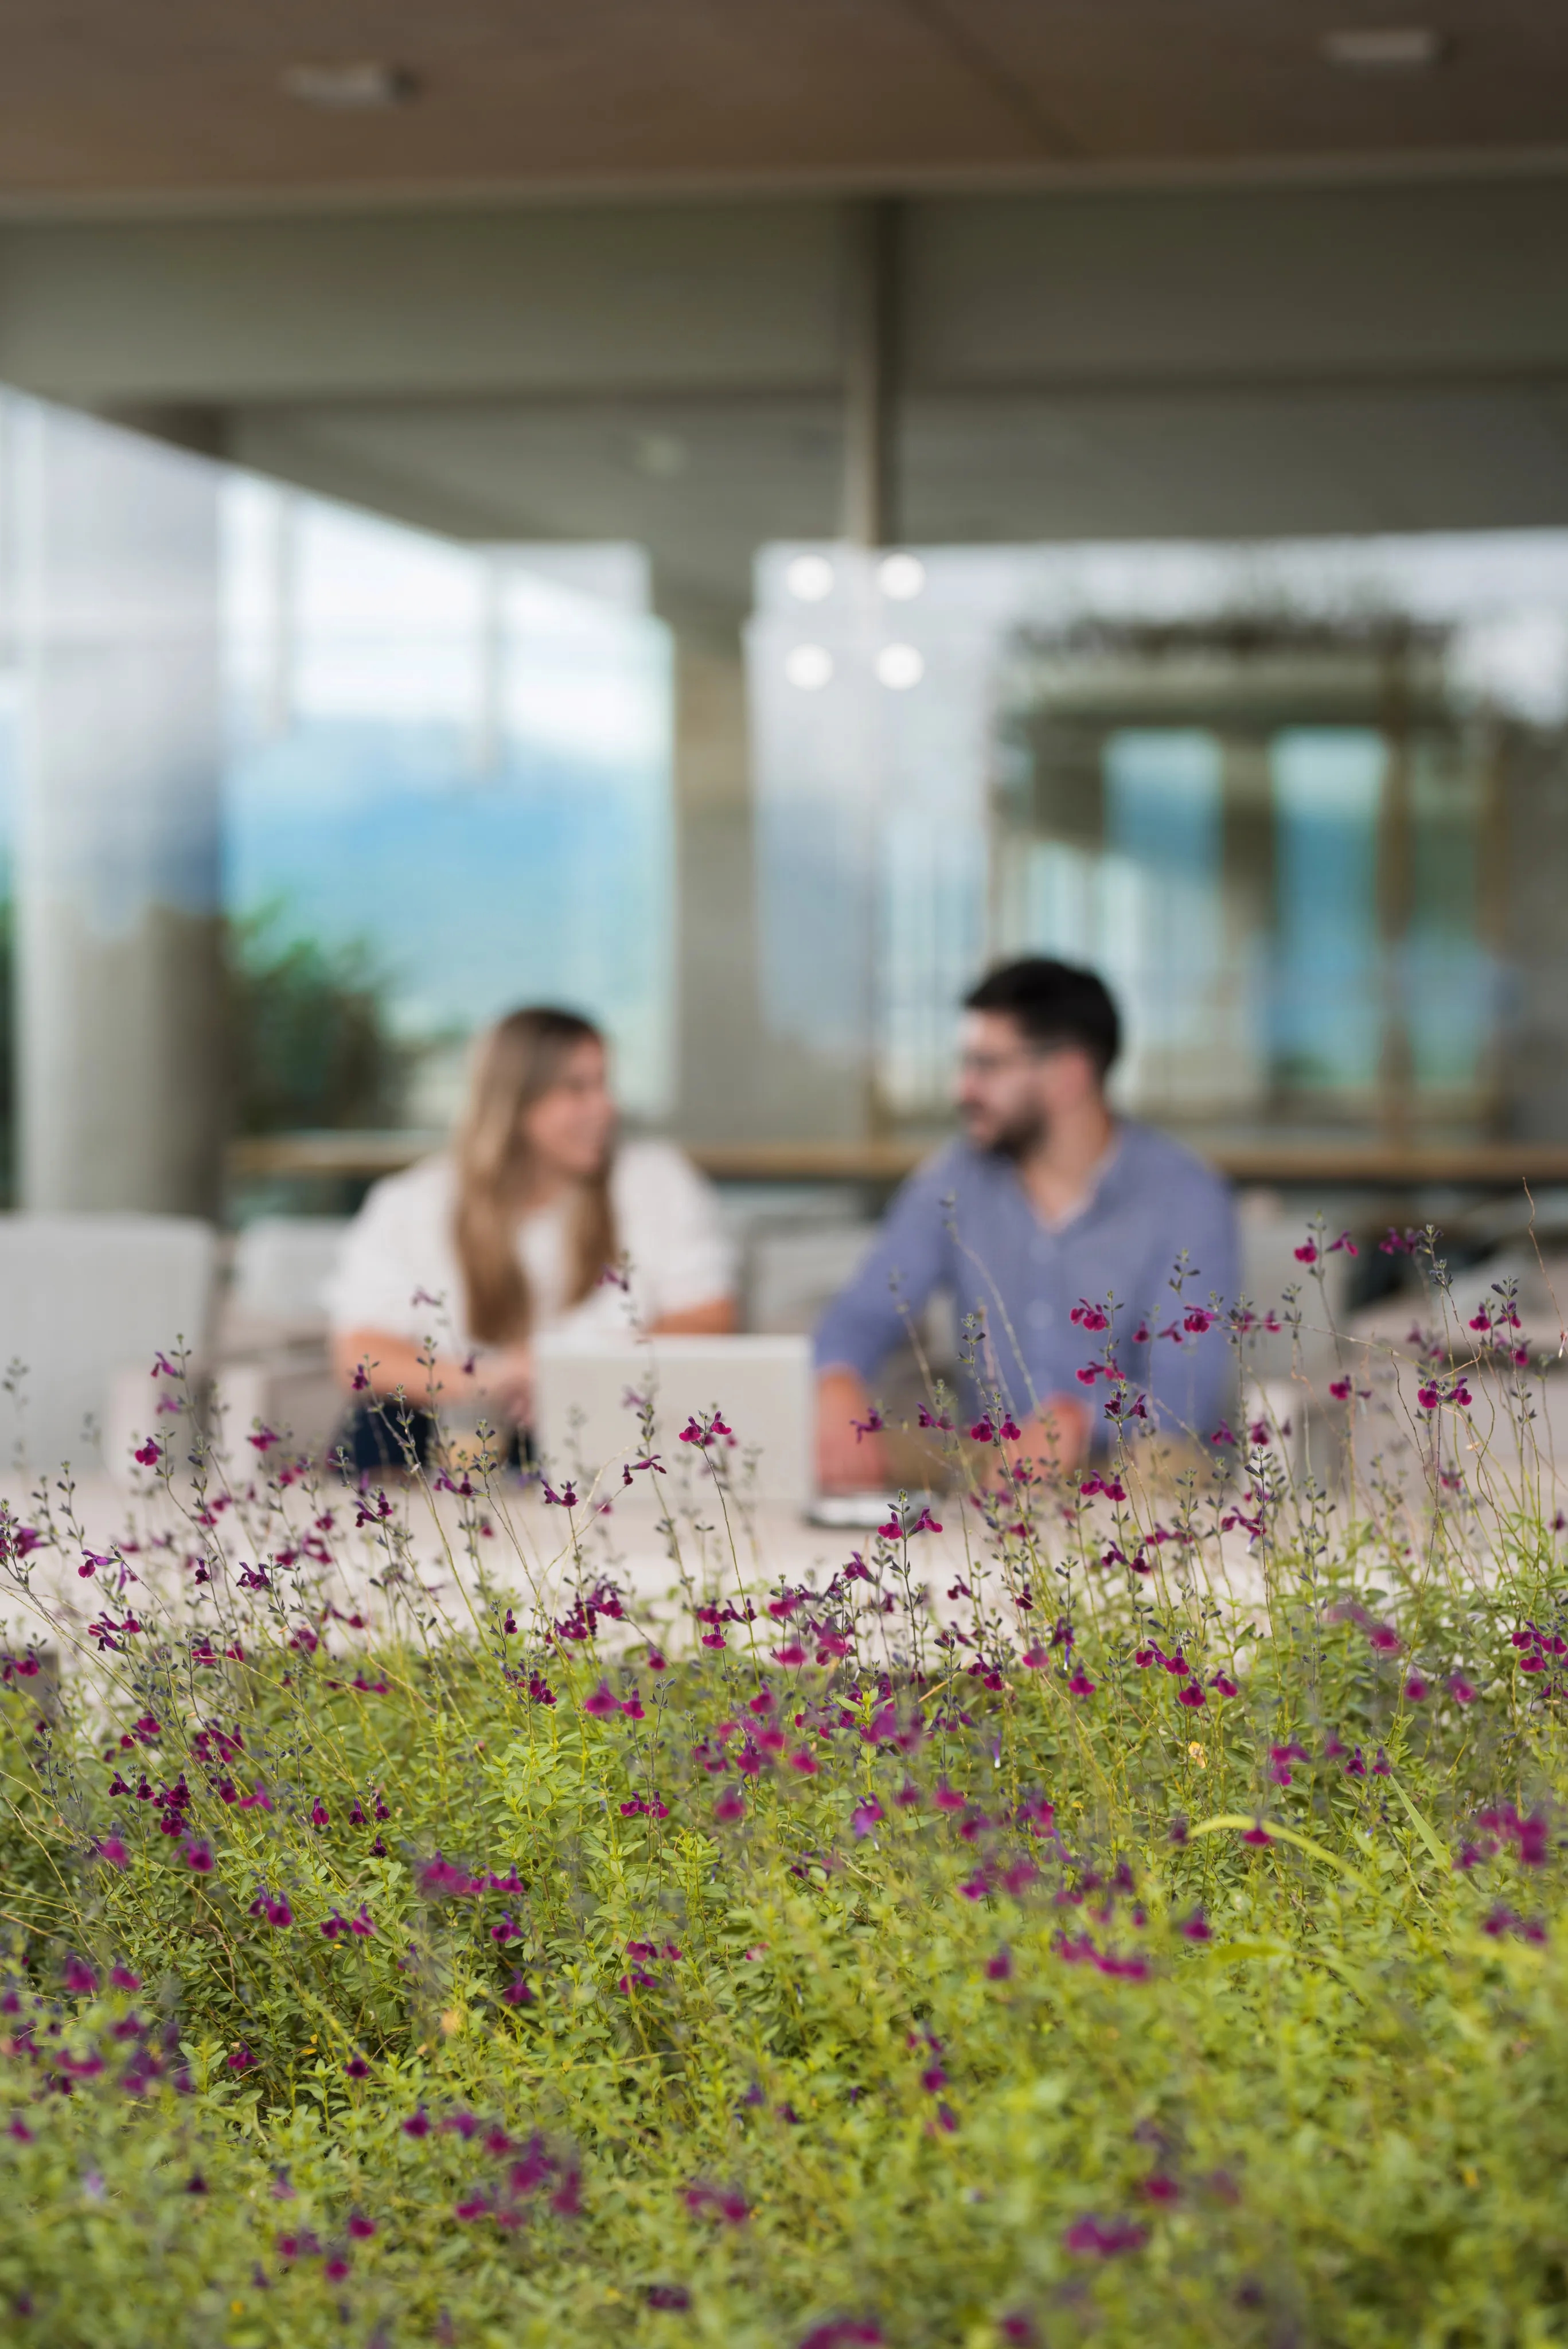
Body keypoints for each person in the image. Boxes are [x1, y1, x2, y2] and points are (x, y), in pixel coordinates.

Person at [814, 958, 1238, 1490]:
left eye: (987, 1066)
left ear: (1068, 1075)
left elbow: (1186, 1393)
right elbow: (865, 1311)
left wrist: (1079, 1418)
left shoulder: (1185, 1196)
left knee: (1170, 1467)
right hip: (988, 1460)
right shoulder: (955, 1178)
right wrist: (837, 1380)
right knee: (843, 1445)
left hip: (1122, 1468)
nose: (963, 1089)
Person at [326, 1005, 735, 1468]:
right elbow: (359, 1356)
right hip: (453, 1429)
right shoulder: (412, 1202)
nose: (606, 1107)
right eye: (577, 1088)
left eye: (604, 1085)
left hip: (603, 1422)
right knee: (378, 1423)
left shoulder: (657, 1184)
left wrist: (572, 1373)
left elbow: (709, 1318)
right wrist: (495, 1379)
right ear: (514, 1102)